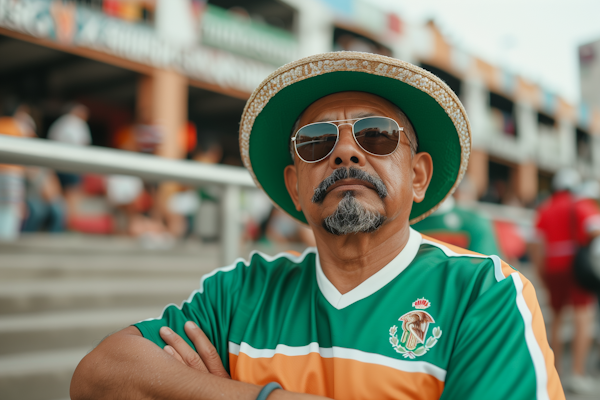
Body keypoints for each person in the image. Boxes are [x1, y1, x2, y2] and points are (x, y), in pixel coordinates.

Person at [71, 52, 563, 399]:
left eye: (376, 135)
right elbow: (97, 376)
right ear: (295, 185)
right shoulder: (239, 294)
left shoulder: (486, 294)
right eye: (315, 142)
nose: (346, 151)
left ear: (418, 176)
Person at [531, 168, 600, 394]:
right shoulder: (579, 204)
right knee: (583, 316)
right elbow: (594, 229)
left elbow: (536, 245)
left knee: (557, 319)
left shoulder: (545, 208)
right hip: (576, 267)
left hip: (552, 267)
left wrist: (541, 274)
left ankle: (555, 371)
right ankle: (577, 373)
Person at [47, 104, 92, 221]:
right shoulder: (79, 124)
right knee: (73, 197)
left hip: (56, 164)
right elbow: (84, 145)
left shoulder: (59, 123)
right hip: (72, 166)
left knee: (59, 197)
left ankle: (60, 222)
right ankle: (70, 223)